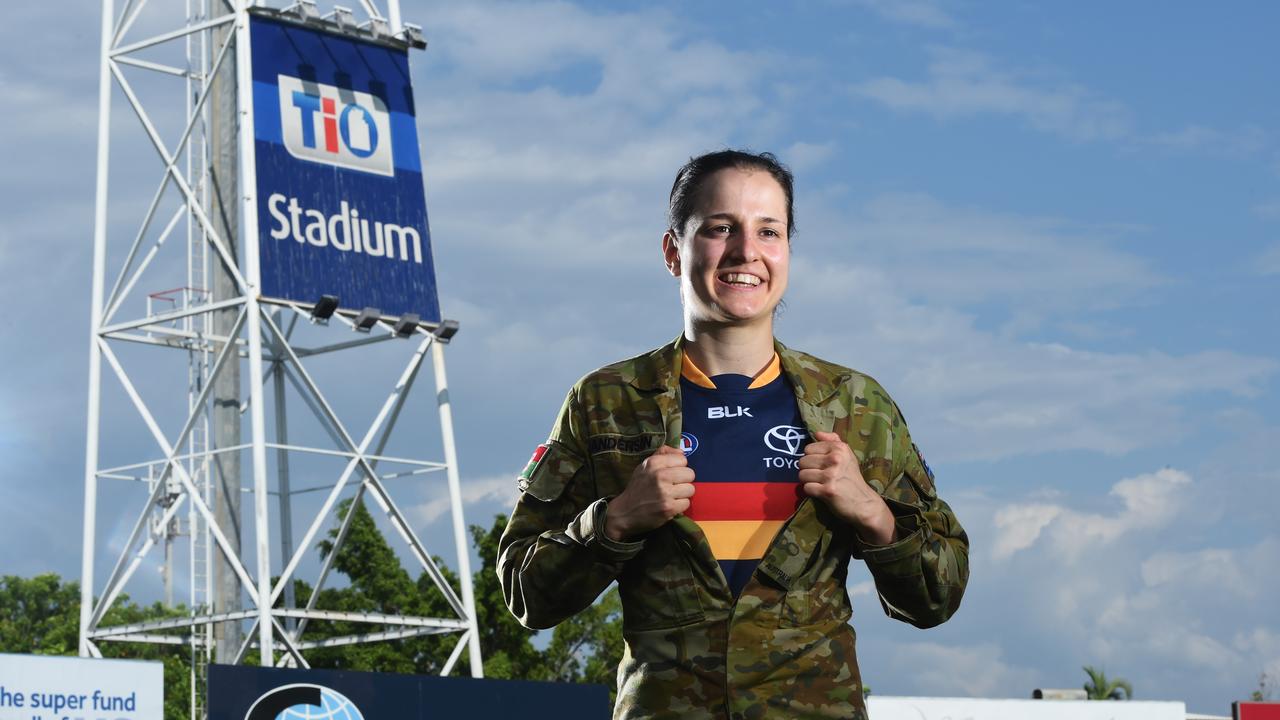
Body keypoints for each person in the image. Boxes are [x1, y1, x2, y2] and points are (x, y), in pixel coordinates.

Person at [498, 149, 969, 720]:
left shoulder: (857, 406)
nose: (747, 251)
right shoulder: (605, 403)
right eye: (721, 229)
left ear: (787, 250)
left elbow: (938, 596)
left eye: (769, 231)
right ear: (674, 251)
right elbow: (527, 593)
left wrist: (873, 514)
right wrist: (615, 521)